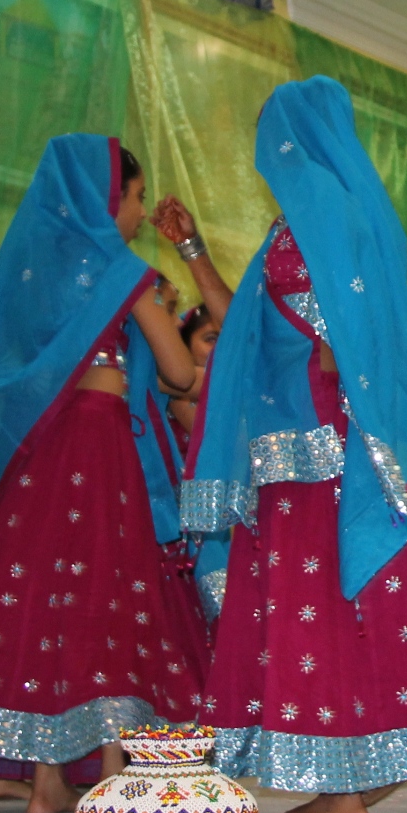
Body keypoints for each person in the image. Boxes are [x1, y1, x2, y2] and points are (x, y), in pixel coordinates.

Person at [185, 76, 407, 813]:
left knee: (321, 602)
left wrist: (338, 407)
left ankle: (342, 792)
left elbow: (344, 332)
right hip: (295, 445)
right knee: (345, 603)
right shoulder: (304, 221)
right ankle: (363, 767)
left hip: (315, 446)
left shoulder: (321, 213)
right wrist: (191, 251)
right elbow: (253, 329)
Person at [0, 136, 209, 813]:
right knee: (105, 589)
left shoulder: (31, 266)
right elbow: (180, 373)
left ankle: (45, 781)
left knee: (45, 598)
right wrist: (153, 305)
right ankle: (116, 768)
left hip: (33, 455)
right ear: (106, 199)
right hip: (95, 443)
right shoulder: (119, 269)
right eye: (136, 195)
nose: (140, 209)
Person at [153, 195, 236, 624]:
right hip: (181, 539)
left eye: (228, 340)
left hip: (221, 540)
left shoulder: (222, 396)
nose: (221, 351)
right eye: (210, 339)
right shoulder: (175, 392)